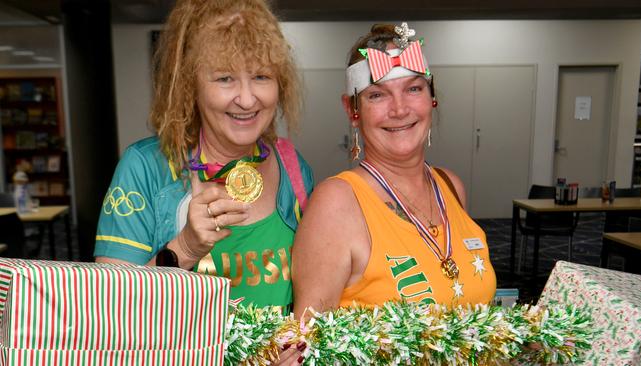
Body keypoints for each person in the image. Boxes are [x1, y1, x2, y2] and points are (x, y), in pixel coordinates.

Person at [95, 0, 312, 326]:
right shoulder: (145, 168)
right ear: (189, 85)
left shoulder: (292, 164)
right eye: (225, 78)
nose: (247, 99)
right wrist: (185, 247)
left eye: (261, 76)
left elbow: (310, 295)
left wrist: (298, 342)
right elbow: (106, 310)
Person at [292, 23, 496, 316]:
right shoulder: (337, 203)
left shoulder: (450, 186)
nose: (399, 109)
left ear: (432, 99)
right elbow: (307, 341)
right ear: (352, 110)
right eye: (377, 95)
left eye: (413, 89)